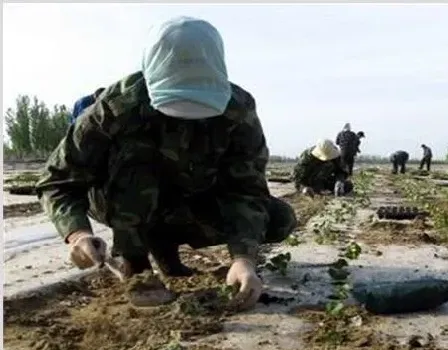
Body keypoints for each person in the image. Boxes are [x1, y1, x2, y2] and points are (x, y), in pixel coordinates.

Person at [35, 16, 297, 310]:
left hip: (190, 201)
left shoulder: (238, 113)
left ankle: (164, 249)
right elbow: (57, 181)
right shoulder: (115, 110)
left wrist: (243, 258)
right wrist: (78, 234)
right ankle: (135, 265)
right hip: (119, 200)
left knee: (278, 217)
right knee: (139, 166)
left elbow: (246, 190)